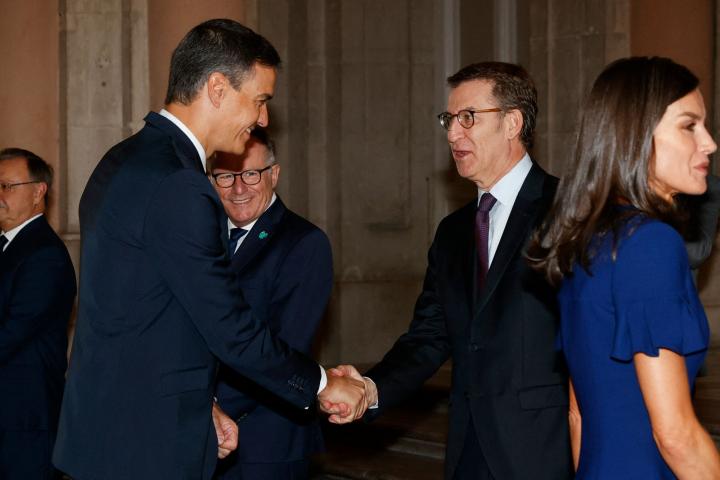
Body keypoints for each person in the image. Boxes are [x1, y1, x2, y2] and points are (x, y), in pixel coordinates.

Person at [53, 19, 365, 480]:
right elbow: (230, 327)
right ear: (218, 88)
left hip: (108, 433)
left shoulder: (122, 160)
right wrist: (322, 383)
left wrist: (205, 402)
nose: (263, 119)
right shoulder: (180, 185)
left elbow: (146, 315)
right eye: (259, 100)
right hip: (148, 449)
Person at [328, 62, 572, 480]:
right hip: (468, 451)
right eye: (449, 119)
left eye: (468, 118)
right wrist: (370, 389)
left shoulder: (568, 210)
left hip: (546, 450)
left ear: (512, 123)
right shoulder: (453, 232)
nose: (453, 133)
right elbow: (429, 335)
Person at [528, 56, 720, 478]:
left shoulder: (588, 240)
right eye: (689, 126)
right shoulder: (651, 244)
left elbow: (577, 416)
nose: (709, 143)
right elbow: (676, 436)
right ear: (637, 135)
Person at [210, 129, 332, 480]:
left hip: (265, 444)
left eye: (251, 174)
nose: (238, 188)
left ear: (274, 174)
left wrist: (207, 407)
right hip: (208, 435)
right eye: (225, 176)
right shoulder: (204, 239)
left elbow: (285, 348)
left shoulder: (303, 243)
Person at [0, 148, 76, 480]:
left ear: (38, 191)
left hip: (25, 420)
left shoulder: (44, 254)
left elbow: (13, 332)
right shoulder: (8, 245)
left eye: (6, 186)